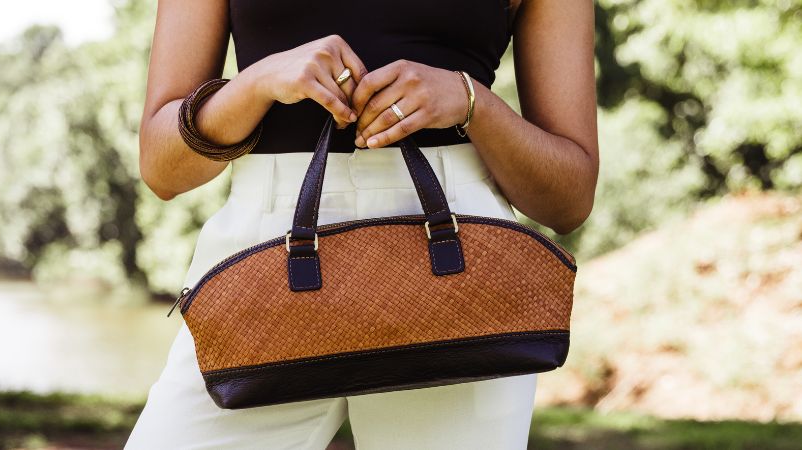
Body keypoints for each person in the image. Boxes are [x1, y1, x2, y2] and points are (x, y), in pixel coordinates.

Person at [126, 0, 598, 448]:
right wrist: (256, 83)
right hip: (264, 258)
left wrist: (470, 100)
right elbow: (163, 168)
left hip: (457, 271)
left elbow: (568, 200)